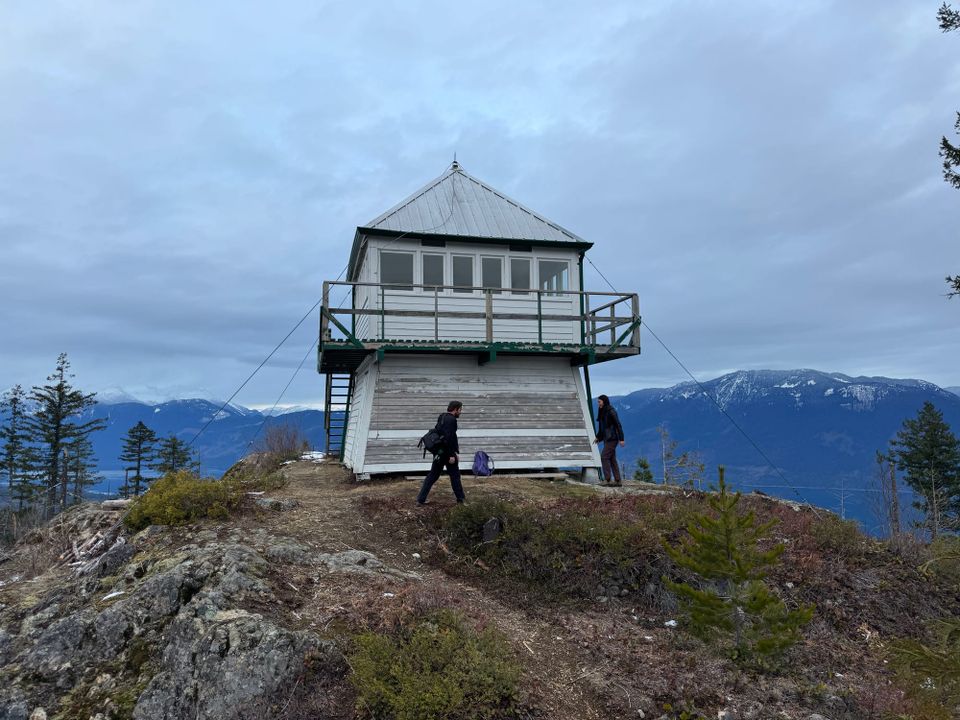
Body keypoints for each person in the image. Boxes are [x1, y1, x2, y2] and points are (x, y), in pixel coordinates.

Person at [416, 400, 466, 505]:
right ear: (455, 409)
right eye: (460, 410)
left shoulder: (442, 416)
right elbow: (448, 439)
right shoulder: (452, 420)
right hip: (447, 453)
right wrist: (451, 455)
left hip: (439, 452)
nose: (461, 412)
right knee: (455, 475)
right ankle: (461, 500)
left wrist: (441, 452)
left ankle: (420, 499)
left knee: (432, 475)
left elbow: (439, 433)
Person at [593, 394, 625, 486]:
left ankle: (607, 480)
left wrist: (621, 439)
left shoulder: (611, 411)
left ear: (604, 401)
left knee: (604, 457)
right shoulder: (602, 411)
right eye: (598, 402)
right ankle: (618, 481)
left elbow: (618, 425)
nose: (598, 403)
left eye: (599, 402)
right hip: (607, 438)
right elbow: (602, 428)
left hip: (613, 438)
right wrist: (598, 437)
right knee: (612, 459)